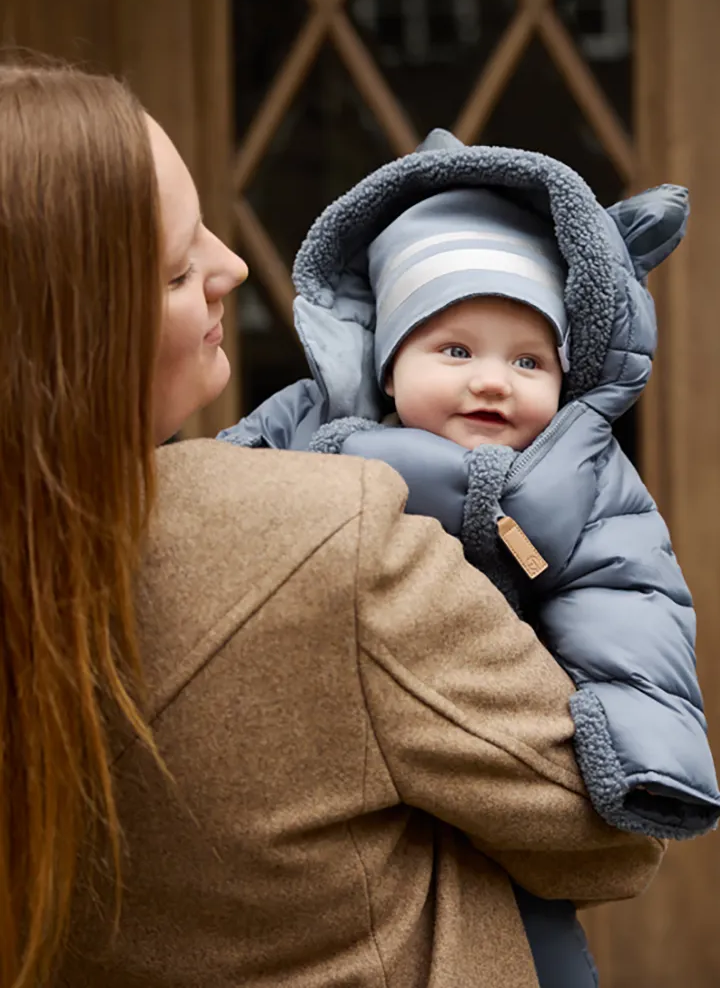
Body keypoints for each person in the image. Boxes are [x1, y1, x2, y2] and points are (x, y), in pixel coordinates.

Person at [0, 60, 665, 988]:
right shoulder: (328, 532)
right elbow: (605, 835)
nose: (233, 266)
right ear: (74, 329)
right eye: (181, 266)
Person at [221, 131, 720, 987]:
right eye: (456, 351)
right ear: (387, 360)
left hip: (496, 738)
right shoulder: (310, 426)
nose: (493, 381)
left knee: (534, 949)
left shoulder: (576, 470)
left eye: (528, 360)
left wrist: (646, 755)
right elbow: (218, 502)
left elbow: (632, 596)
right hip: (324, 750)